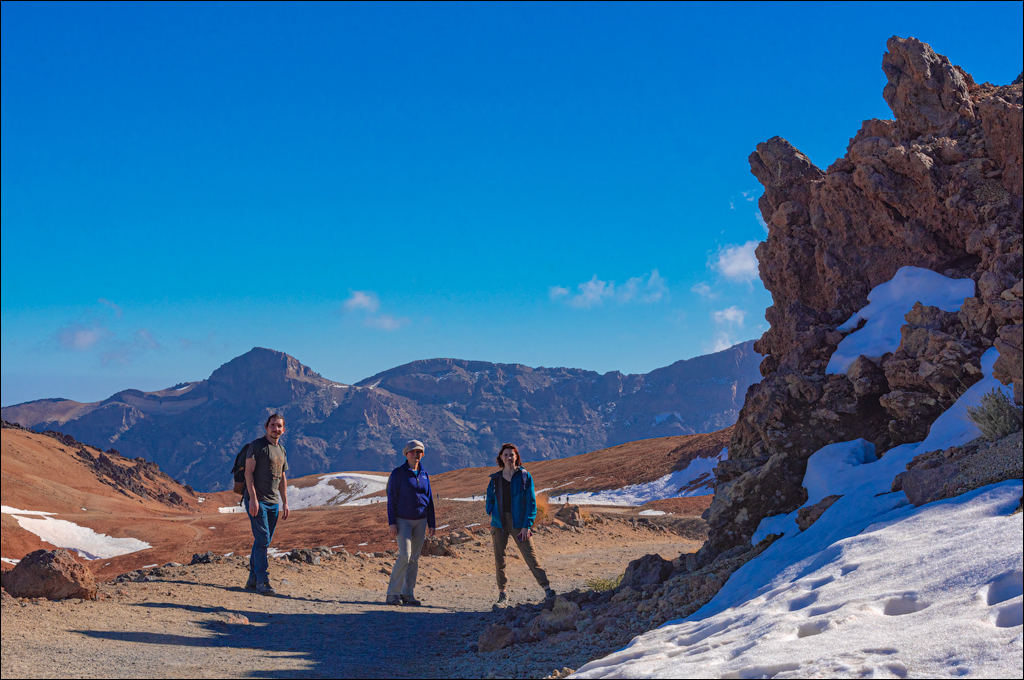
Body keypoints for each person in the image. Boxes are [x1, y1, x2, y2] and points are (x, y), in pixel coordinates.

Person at [485, 443, 555, 607]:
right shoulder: (495, 479)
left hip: (519, 523)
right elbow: (489, 499)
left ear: (517, 457)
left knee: (531, 556)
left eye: (512, 454)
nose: (509, 457)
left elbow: (531, 503)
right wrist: (492, 512)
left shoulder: (524, 476)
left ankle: (547, 589)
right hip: (499, 524)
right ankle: (502, 594)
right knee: (499, 559)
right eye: (506, 455)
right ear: (501, 458)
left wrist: (527, 525)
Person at [243, 413, 290, 596]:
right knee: (263, 539)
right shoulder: (257, 446)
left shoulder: (282, 450)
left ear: (283, 430)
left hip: (273, 502)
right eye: (272, 425)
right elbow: (248, 473)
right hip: (257, 500)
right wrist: (253, 498)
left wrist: (285, 502)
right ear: (266, 427)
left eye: (279, 426)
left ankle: (252, 580)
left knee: (264, 540)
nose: (275, 428)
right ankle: (263, 581)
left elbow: (282, 477)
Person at [385, 439, 436, 606]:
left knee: (414, 558)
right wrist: (392, 522)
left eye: (419, 452)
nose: (416, 454)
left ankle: (408, 593)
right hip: (403, 521)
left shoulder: (424, 474)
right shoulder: (398, 473)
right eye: (413, 451)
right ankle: (393, 593)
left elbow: (429, 499)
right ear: (406, 454)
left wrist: (432, 523)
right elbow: (391, 499)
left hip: (420, 521)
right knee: (404, 555)